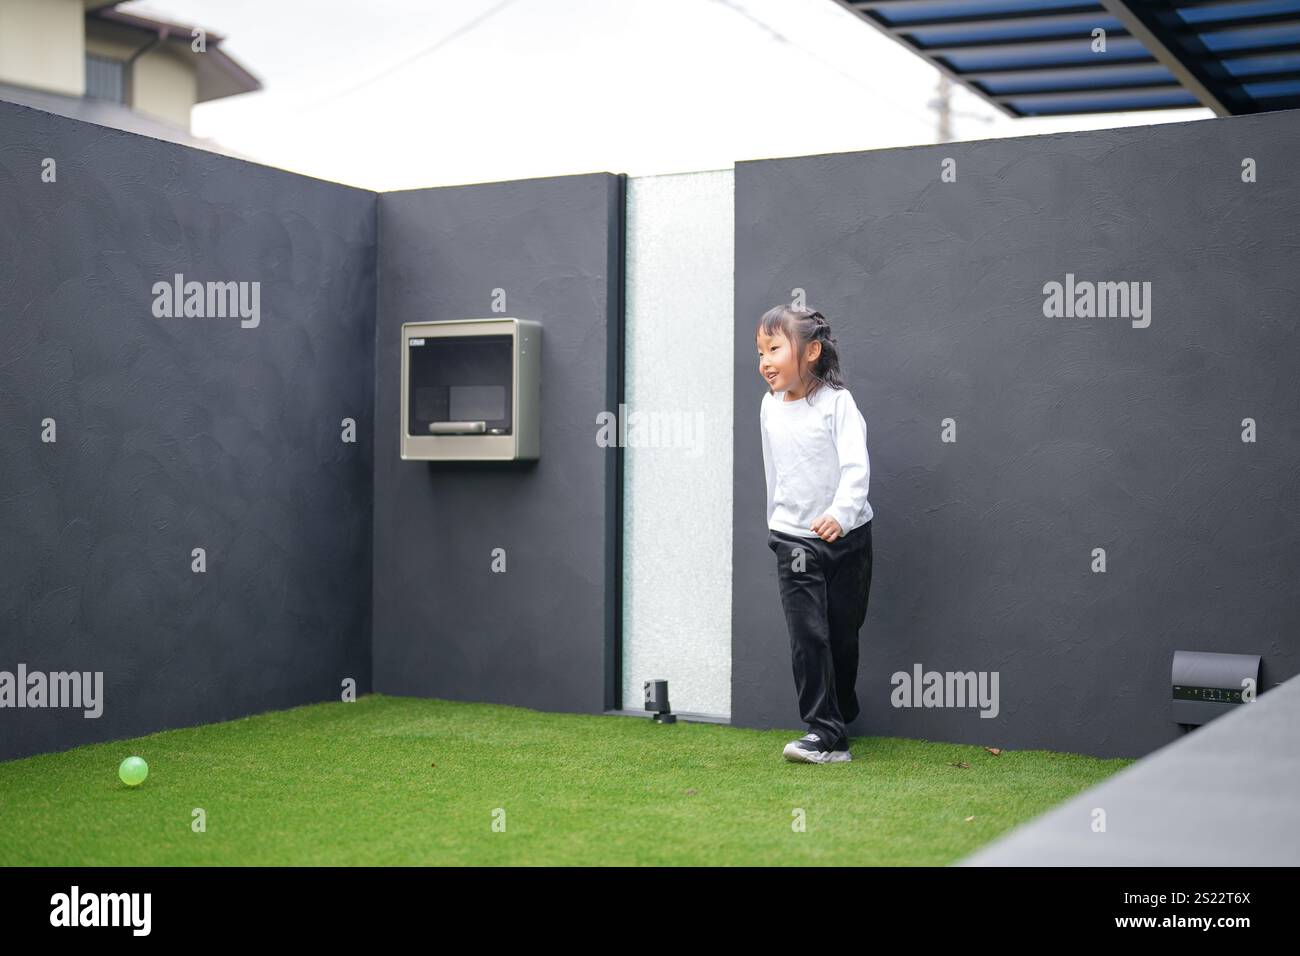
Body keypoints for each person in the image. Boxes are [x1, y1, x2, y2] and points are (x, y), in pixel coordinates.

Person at [758, 305, 873, 764]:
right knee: (808, 635)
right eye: (759, 351)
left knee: (843, 633)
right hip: (794, 539)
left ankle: (840, 712)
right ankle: (825, 735)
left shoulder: (837, 404)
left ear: (810, 352)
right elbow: (775, 470)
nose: (764, 361)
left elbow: (855, 467)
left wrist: (841, 515)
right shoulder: (768, 406)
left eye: (774, 348)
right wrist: (778, 523)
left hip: (849, 538)